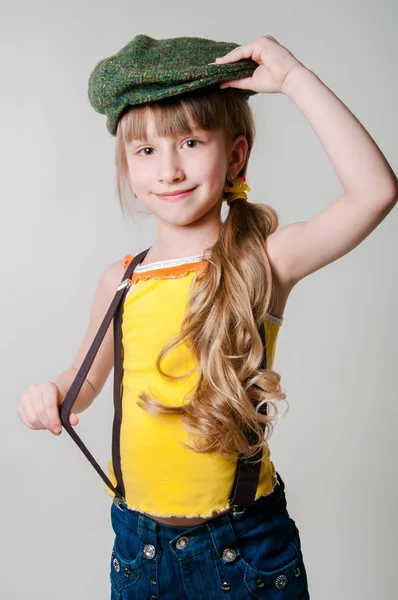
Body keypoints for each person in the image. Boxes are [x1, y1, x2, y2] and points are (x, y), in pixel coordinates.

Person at [17, 34, 397, 599]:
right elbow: (87, 381)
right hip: (138, 552)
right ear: (128, 164)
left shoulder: (264, 261)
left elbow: (375, 192)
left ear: (236, 155)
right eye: (146, 151)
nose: (168, 169)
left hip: (245, 553)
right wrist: (51, 392)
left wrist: (292, 79)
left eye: (191, 142)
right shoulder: (120, 281)